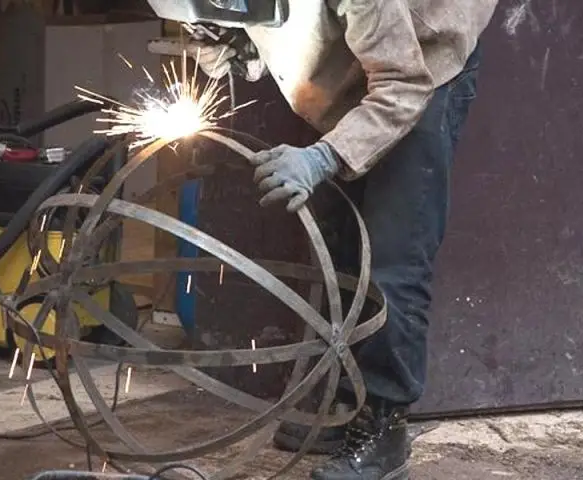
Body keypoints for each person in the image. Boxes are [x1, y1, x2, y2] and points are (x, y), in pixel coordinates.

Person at [187, 1, 499, 478]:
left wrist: (322, 158)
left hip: (421, 65)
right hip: (366, 47)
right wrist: (239, 43)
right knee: (340, 241)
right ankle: (345, 400)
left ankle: (384, 427)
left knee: (393, 257)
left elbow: (403, 84)